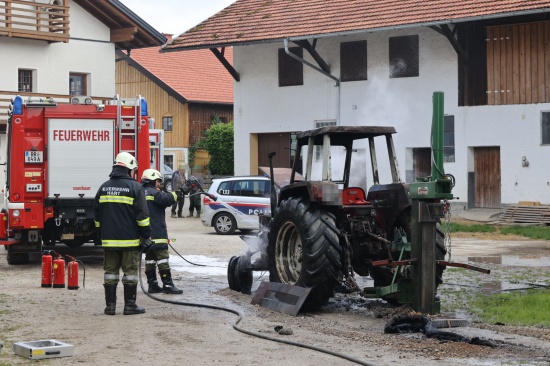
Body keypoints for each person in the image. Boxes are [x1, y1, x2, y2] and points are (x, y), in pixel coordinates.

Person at [94, 152, 151, 316]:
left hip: (109, 241)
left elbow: (96, 214)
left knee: (110, 273)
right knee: (130, 275)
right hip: (130, 241)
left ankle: (110, 307)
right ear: (129, 169)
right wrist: (146, 235)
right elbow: (143, 216)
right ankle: (130, 305)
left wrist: (101, 232)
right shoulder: (135, 188)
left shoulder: (104, 187)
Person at [140, 169, 185, 294]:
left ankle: (152, 285)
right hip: (157, 232)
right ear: (153, 180)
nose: (159, 184)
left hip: (145, 235)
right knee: (162, 258)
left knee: (150, 260)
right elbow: (169, 198)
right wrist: (182, 191)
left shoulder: (139, 192)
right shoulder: (154, 193)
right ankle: (168, 285)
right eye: (158, 181)